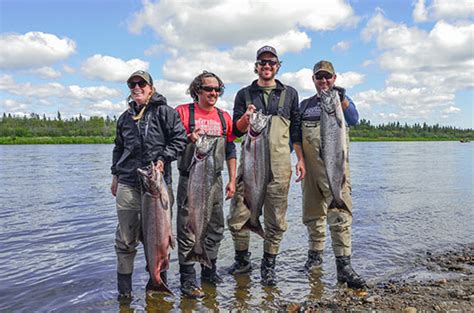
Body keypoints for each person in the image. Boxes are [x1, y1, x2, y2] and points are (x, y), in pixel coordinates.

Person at [227, 45, 305, 286]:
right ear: (256, 66)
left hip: (281, 166)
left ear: (277, 66)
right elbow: (235, 132)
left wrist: (300, 159)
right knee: (238, 213)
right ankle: (242, 261)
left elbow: (295, 130)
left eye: (271, 62)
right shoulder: (243, 94)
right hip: (249, 165)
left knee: (276, 218)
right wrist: (245, 118)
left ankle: (268, 265)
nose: (267, 66)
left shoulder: (290, 93)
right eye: (263, 63)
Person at [111, 70, 187, 301]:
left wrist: (163, 158)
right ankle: (125, 294)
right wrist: (115, 174)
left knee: (160, 236)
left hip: (158, 185)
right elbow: (118, 148)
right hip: (128, 183)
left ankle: (158, 284)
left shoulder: (165, 112)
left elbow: (180, 140)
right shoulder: (124, 118)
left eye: (141, 83)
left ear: (151, 87)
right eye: (132, 84)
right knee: (125, 239)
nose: (136, 87)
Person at [299, 60, 366, 289]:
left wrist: (343, 98)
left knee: (340, 216)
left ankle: (343, 266)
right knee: (312, 216)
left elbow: (354, 119)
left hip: (336, 169)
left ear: (335, 78)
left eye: (328, 76)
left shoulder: (341, 102)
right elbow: (294, 137)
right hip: (310, 171)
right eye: (319, 77)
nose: (324, 81)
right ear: (314, 80)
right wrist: (297, 160)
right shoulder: (305, 106)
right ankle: (315, 259)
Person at [175, 71, 237, 298]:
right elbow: (170, 143)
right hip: (189, 179)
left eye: (217, 89)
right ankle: (188, 278)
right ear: (197, 90)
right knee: (187, 227)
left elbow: (230, 149)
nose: (213, 93)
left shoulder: (224, 117)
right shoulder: (182, 112)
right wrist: (187, 138)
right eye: (208, 89)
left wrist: (232, 180)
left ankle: (208, 271)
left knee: (216, 226)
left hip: (216, 180)